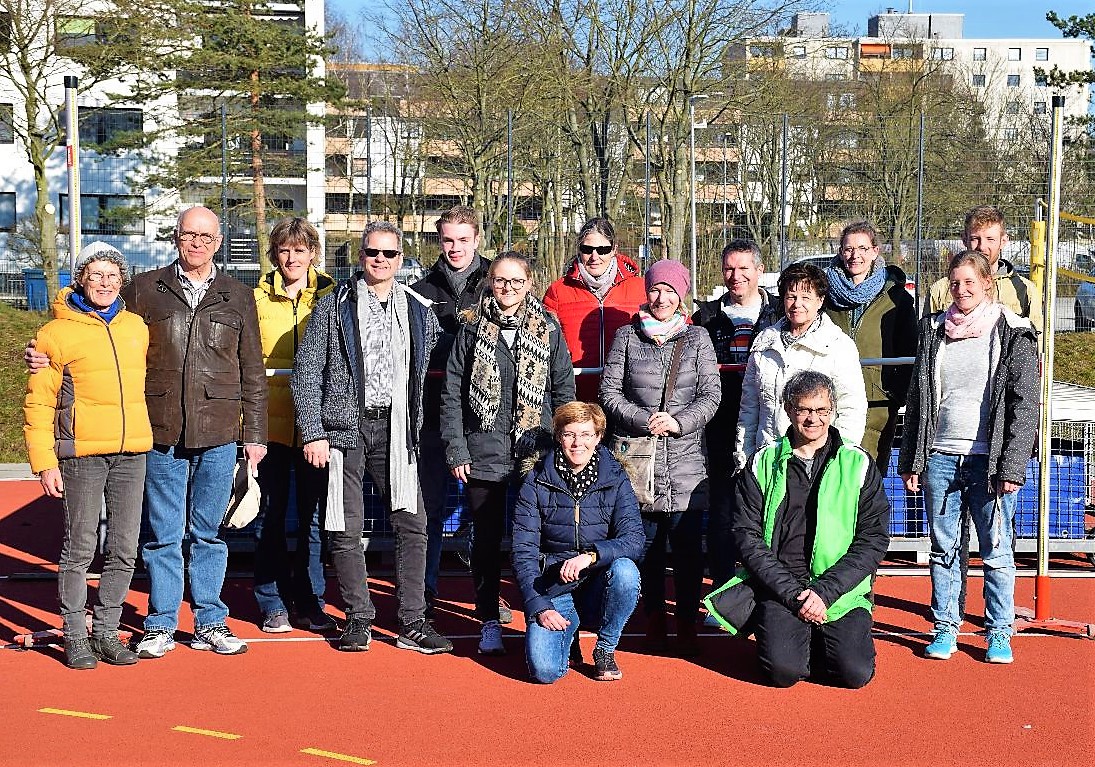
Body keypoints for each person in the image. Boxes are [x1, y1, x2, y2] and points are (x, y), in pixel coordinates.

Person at [28, 207, 269, 658]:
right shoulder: (143, 289)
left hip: (219, 431)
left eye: (206, 236)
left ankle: (210, 621)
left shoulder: (238, 295)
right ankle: (160, 623)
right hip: (158, 431)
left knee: (209, 534)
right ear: (175, 237)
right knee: (162, 535)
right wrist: (41, 351)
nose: (196, 243)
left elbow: (252, 369)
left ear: (218, 242)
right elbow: (92, 321)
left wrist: (254, 433)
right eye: (188, 234)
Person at [292, 220, 452, 655]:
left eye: (389, 253)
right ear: (360, 256)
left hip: (399, 431)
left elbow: (440, 365)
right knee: (344, 525)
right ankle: (358, 618)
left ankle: (412, 622)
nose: (380, 260)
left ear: (401, 259)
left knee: (413, 523)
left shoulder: (418, 310)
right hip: (344, 429)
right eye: (372, 252)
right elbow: (307, 372)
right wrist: (313, 432)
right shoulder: (333, 306)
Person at [899, 251, 1039, 664]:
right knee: (944, 548)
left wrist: (1012, 465)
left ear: (987, 284)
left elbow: (1025, 405)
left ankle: (999, 632)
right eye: (955, 282)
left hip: (989, 462)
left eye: (969, 282)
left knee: (996, 550)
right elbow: (918, 398)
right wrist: (912, 460)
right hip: (941, 456)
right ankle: (945, 626)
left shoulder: (1013, 331)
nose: (961, 290)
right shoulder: (933, 330)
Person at [24, 243, 152, 669]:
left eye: (112, 275)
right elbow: (39, 402)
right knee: (79, 549)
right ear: (80, 279)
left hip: (131, 452)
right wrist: (44, 462)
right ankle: (75, 635)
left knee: (124, 548)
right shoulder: (55, 334)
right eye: (96, 275)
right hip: (81, 455)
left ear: (122, 280)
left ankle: (106, 633)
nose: (105, 283)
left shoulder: (136, 327)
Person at [441, 251, 576, 655]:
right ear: (490, 282)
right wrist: (457, 449)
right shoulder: (471, 328)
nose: (508, 288)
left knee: (540, 539)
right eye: (500, 280)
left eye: (517, 281)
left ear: (530, 284)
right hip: (482, 453)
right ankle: (488, 618)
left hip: (536, 453)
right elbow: (452, 394)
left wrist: (563, 446)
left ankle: (544, 613)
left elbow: (563, 391)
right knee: (484, 542)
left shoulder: (548, 327)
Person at [732, 370, 890, 689]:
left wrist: (825, 593)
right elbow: (746, 535)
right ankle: (793, 636)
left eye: (821, 410)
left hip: (839, 589)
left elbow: (873, 539)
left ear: (832, 411)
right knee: (782, 672)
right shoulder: (762, 462)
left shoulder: (858, 462)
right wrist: (794, 594)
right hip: (782, 587)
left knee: (854, 674)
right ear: (788, 409)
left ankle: (819, 638)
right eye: (803, 409)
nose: (812, 419)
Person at [600, 258, 720, 656]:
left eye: (670, 290)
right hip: (639, 462)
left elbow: (711, 396)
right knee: (646, 548)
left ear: (681, 294)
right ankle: (652, 617)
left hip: (686, 462)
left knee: (687, 551)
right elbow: (609, 393)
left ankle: (685, 621)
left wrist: (679, 422)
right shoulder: (626, 337)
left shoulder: (698, 338)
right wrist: (643, 419)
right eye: (655, 288)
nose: (661, 297)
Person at [511, 401, 644, 683]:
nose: (577, 443)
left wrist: (591, 556)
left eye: (585, 434)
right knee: (545, 672)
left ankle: (605, 648)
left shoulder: (616, 478)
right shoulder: (535, 480)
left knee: (626, 572)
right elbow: (523, 551)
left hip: (597, 581)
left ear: (598, 437)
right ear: (559, 436)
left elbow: (634, 540)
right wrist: (539, 606)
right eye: (570, 434)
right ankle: (568, 634)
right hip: (554, 585)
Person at [252, 218, 337, 634]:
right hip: (268, 425)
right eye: (284, 249)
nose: (292, 257)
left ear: (313, 254)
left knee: (313, 518)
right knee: (269, 516)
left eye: (300, 250)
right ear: (274, 254)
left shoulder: (332, 296)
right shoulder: (254, 298)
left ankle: (311, 600)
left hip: (316, 427)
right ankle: (272, 601)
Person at [410, 206, 493, 619]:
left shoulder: (499, 281)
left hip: (484, 418)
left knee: (486, 512)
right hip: (432, 414)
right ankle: (423, 593)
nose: (455, 247)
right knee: (429, 507)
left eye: (463, 239)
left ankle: (488, 596)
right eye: (447, 240)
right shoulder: (420, 290)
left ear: (477, 239)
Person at [692, 238, 782, 588]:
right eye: (729, 268)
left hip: (769, 421)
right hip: (719, 424)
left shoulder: (780, 313)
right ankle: (722, 590)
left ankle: (769, 586)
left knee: (769, 507)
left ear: (760, 271)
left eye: (744, 268)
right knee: (723, 510)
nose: (736, 276)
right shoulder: (705, 317)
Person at [736, 262, 867, 471]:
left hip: (818, 461)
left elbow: (852, 408)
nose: (797, 304)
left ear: (820, 300)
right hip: (768, 459)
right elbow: (749, 408)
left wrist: (839, 458)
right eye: (791, 296)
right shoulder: (764, 343)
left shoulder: (838, 345)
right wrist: (746, 458)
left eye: (806, 297)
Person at [823, 221, 917, 471]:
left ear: (875, 251)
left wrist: (895, 394)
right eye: (848, 249)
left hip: (876, 404)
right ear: (840, 252)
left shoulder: (897, 298)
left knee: (868, 478)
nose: (855, 255)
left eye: (863, 248)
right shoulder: (824, 295)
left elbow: (909, 350)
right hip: (830, 400)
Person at [543, 217, 646, 401]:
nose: (594, 256)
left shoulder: (641, 289)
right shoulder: (558, 291)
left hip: (627, 396)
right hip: (575, 394)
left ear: (614, 249)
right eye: (587, 249)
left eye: (603, 249)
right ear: (579, 249)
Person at [925, 205, 1043, 333]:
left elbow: (1036, 339)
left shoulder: (1024, 290)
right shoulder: (940, 290)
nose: (982, 246)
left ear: (1003, 241)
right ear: (964, 239)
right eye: (975, 239)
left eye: (990, 239)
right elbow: (927, 338)